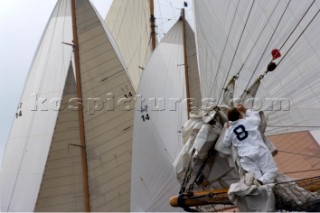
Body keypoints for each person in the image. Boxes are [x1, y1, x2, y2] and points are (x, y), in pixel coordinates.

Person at [222, 104, 277, 184]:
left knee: (255, 177)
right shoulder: (248, 121)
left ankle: (259, 184)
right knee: (271, 171)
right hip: (259, 151)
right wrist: (245, 110)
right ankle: (262, 182)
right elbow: (257, 118)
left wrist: (227, 128)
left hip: (245, 157)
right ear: (240, 115)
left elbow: (225, 143)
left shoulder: (230, 130)